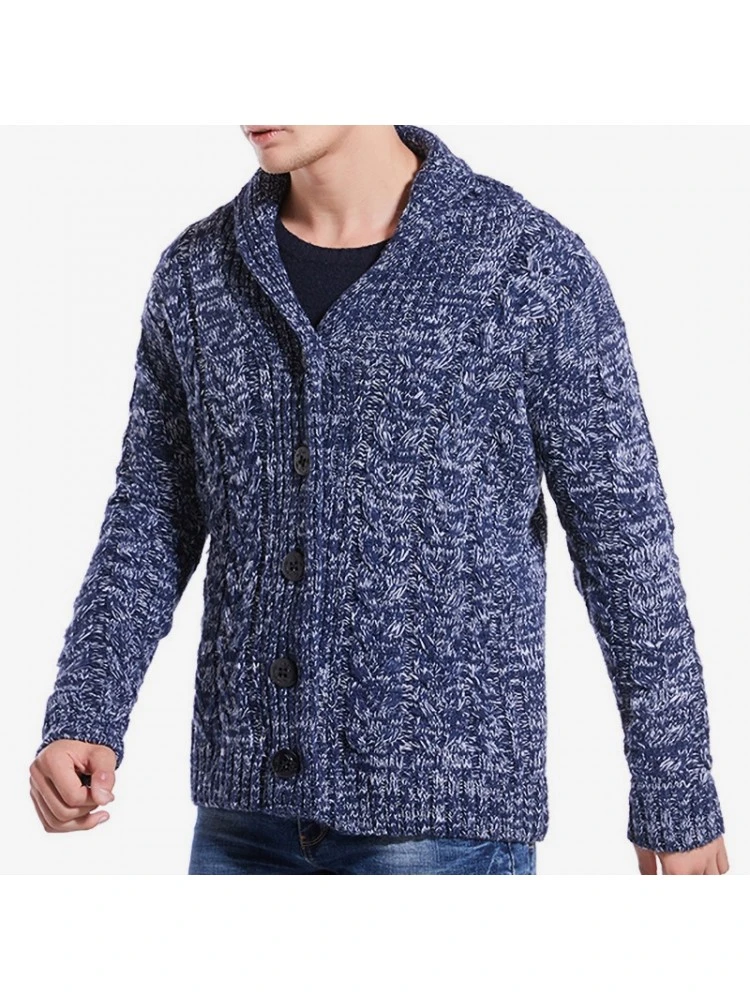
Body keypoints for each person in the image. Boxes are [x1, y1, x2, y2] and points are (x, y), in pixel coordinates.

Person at [30, 125, 729, 875]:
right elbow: (152, 514)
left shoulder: (524, 263)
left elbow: (623, 540)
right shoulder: (200, 273)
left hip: (441, 832)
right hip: (241, 823)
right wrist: (85, 710)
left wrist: (675, 791)